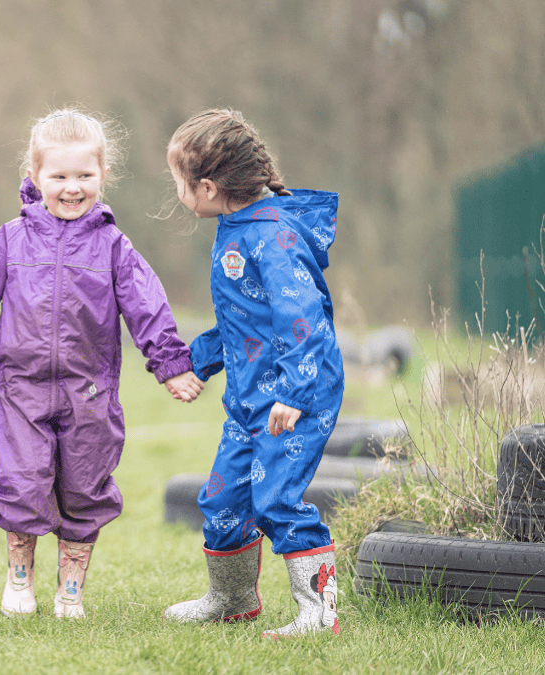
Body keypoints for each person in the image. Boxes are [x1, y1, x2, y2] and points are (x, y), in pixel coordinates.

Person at [0, 109, 199, 619]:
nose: (72, 189)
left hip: (90, 394)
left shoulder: (114, 247)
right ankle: (20, 578)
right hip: (21, 390)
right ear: (34, 178)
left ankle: (70, 588)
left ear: (103, 177)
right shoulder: (10, 239)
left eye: (84, 177)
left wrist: (171, 364)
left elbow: (147, 306)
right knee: (22, 481)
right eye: (59, 177)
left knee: (84, 489)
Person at [160, 108, 343, 637]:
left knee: (274, 499)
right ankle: (231, 598)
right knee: (221, 497)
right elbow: (244, 321)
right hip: (249, 398)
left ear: (210, 187)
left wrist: (293, 391)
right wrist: (193, 362)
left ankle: (320, 613)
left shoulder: (273, 239)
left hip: (295, 396)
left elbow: (303, 322)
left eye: (179, 182)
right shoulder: (234, 226)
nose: (177, 192)